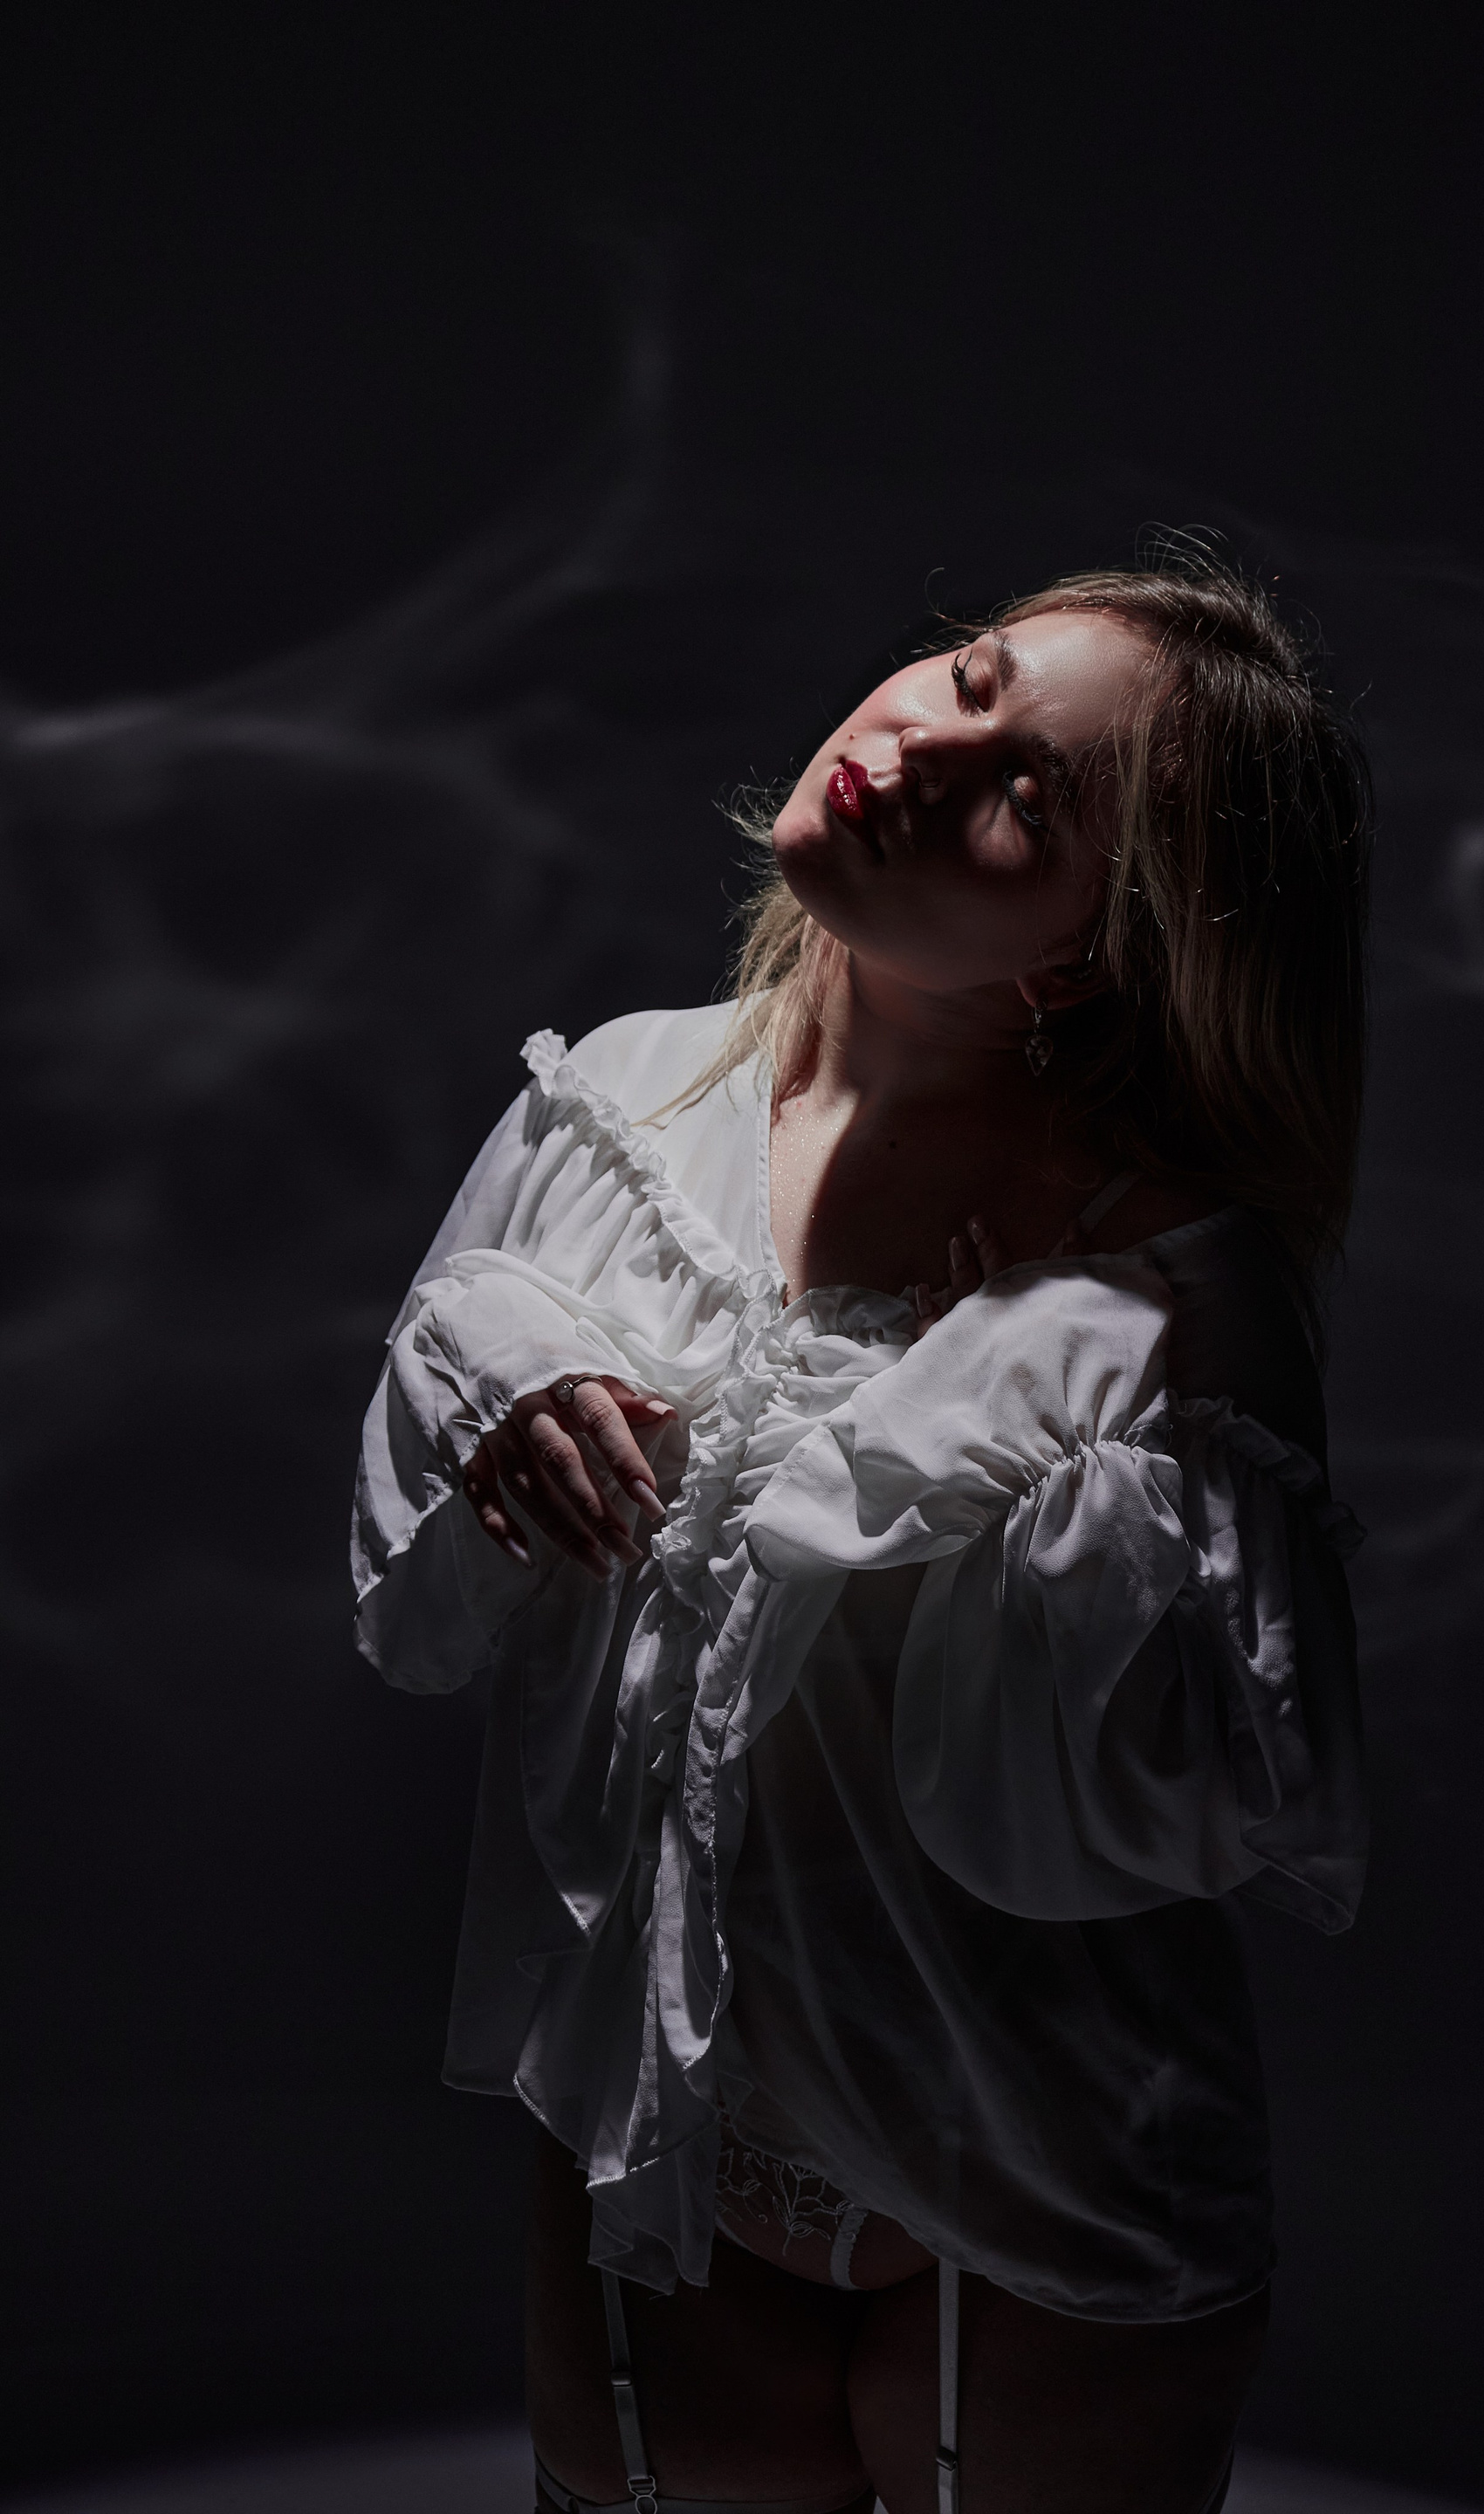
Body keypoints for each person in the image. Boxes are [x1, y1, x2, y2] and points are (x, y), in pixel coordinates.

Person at [352, 553, 1371, 2514]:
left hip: (1047, 2156)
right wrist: (496, 1381)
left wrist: (1029, 1442)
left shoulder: (1175, 1276)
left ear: (1090, 954)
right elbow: (427, 1597)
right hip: (669, 2121)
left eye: (1029, 797)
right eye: (969, 678)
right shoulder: (621, 1107)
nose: (916, 747)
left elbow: (1199, 1800)